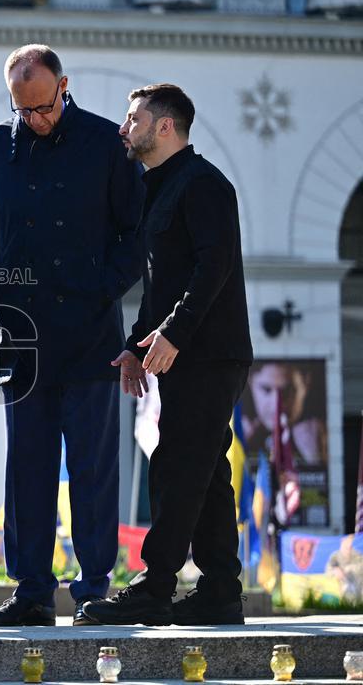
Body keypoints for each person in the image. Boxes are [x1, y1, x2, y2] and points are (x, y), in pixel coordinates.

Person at [0, 44, 144, 627]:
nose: (36, 119)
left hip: (91, 334)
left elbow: (135, 236)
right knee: (28, 469)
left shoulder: (107, 143)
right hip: (21, 338)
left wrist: (101, 287)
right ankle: (31, 592)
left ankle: (94, 589)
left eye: (45, 106)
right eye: (24, 110)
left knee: (92, 470)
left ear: (64, 86)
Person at [83, 83, 253, 626]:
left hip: (210, 355)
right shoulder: (159, 188)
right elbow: (161, 285)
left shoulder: (203, 184)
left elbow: (213, 268)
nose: (123, 128)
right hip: (185, 355)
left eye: (133, 119)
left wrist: (174, 335)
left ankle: (155, 586)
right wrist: (136, 346)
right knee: (205, 470)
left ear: (165, 126)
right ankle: (220, 591)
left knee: (177, 465)